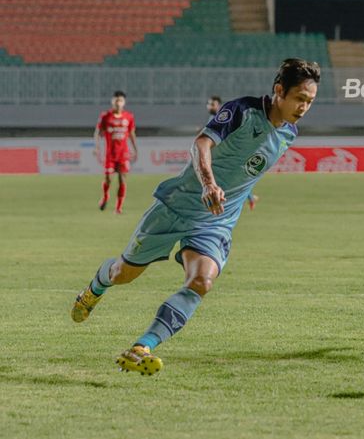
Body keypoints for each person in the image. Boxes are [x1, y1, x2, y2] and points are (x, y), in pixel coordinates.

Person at [72, 58, 320, 374]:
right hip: (177, 205)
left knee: (202, 281)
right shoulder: (242, 110)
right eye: (300, 99)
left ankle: (142, 346)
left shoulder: (289, 134)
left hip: (216, 221)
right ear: (279, 91)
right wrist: (209, 183)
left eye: (310, 102)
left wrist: (242, 196)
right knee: (125, 273)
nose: (304, 107)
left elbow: (246, 171)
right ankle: (94, 288)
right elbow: (201, 144)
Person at [206, 95, 259, 211]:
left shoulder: (227, 116)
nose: (209, 106)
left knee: (234, 179)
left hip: (228, 155)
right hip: (219, 156)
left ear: (218, 105)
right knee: (234, 179)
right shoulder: (213, 117)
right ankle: (249, 197)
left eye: (212, 104)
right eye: (208, 104)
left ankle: (239, 199)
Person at [94, 90, 137, 214]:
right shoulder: (105, 116)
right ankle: (106, 196)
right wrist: (96, 146)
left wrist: (135, 149)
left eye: (121, 101)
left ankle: (118, 208)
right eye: (116, 100)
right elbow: (97, 132)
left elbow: (131, 134)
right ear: (112, 101)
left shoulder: (129, 117)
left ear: (124, 102)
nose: (118, 103)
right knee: (108, 178)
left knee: (122, 180)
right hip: (110, 154)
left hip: (123, 154)